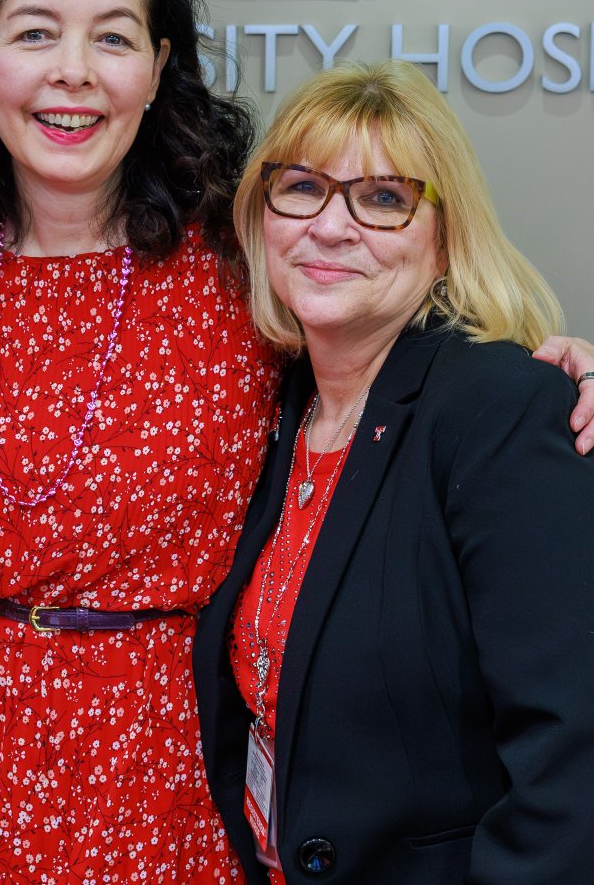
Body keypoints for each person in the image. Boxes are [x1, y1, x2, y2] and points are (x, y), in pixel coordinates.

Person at [0, 0, 594, 885]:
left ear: (158, 67)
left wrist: (565, 370)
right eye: (35, 33)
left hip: (167, 783)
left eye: (112, 37)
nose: (73, 70)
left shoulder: (245, 280)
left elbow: (403, 362)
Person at [192, 60, 594, 884]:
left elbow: (572, 749)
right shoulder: (278, 403)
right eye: (302, 188)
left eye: (382, 199)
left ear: (444, 239)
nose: (331, 227)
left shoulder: (500, 408)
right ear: (263, 217)